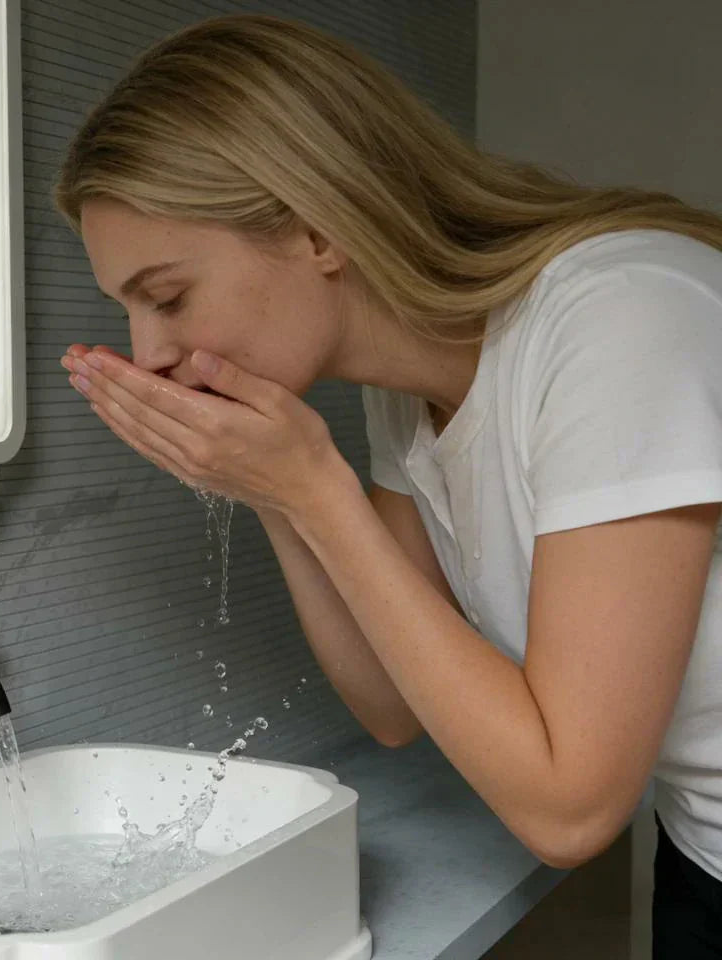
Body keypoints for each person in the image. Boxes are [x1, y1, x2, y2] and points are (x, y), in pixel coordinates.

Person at [53, 15, 722, 957]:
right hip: (701, 853)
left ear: (315, 228)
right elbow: (390, 704)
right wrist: (272, 490)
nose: (147, 352)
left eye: (166, 298)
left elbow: (571, 811)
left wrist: (316, 490)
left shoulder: (622, 322)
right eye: (127, 309)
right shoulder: (408, 393)